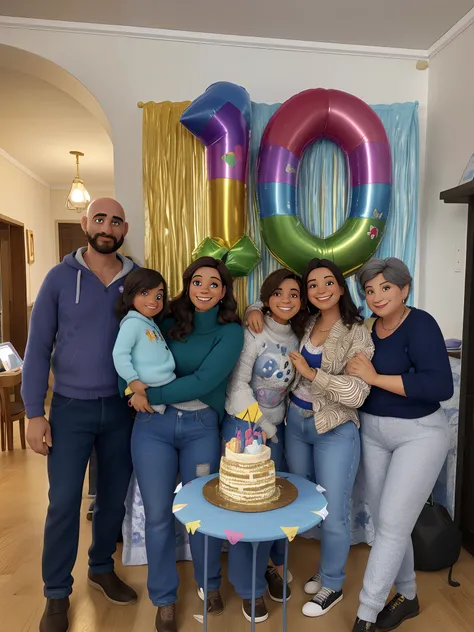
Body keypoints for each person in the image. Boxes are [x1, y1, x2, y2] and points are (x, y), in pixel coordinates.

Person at [22, 198, 138, 632]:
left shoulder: (137, 279)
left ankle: (101, 567)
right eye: (99, 218)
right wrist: (35, 412)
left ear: (125, 228)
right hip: (69, 409)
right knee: (64, 501)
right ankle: (56, 594)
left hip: (122, 409)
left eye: (115, 220)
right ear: (85, 223)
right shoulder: (57, 279)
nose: (107, 226)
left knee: (112, 497)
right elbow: (37, 350)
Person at [247, 258, 374, 618]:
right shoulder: (306, 321)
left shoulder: (356, 331)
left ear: (340, 286)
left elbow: (356, 393)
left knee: (333, 512)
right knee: (302, 503)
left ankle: (332, 582)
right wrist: (254, 308)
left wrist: (311, 373)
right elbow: (274, 310)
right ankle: (319, 570)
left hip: (335, 429)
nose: (320, 290)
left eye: (327, 282)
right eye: (313, 284)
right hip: (296, 427)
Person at [128, 256, 244, 632]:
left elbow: (204, 382)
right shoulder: (162, 318)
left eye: (214, 283)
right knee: (159, 516)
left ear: (224, 290)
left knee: (201, 513)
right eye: (197, 281)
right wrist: (129, 388)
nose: (205, 289)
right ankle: (164, 599)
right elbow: (129, 357)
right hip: (152, 426)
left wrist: (151, 391)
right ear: (187, 284)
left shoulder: (231, 332)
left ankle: (209, 584)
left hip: (200, 427)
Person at [347, 258, 453, 632]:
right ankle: (408, 596)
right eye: (370, 290)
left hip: (420, 433)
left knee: (392, 525)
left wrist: (375, 377)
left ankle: (366, 613)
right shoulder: (366, 328)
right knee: (389, 522)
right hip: (373, 432)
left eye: (385, 288)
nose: (376, 296)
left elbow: (440, 386)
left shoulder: (420, 323)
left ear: (404, 289)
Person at [224, 268, 304, 622]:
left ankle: (270, 566)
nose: (286, 300)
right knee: (246, 509)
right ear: (267, 298)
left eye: (294, 293)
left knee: (275, 504)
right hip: (247, 425)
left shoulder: (300, 334)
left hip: (277, 428)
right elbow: (237, 387)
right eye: (278, 294)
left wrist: (275, 429)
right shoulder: (253, 333)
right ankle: (249, 589)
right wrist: (268, 427)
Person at [113, 267, 176, 412]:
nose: (153, 301)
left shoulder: (149, 322)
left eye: (159, 296)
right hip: (148, 388)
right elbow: (119, 354)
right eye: (145, 293)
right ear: (131, 294)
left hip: (163, 385)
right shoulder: (132, 324)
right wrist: (132, 380)